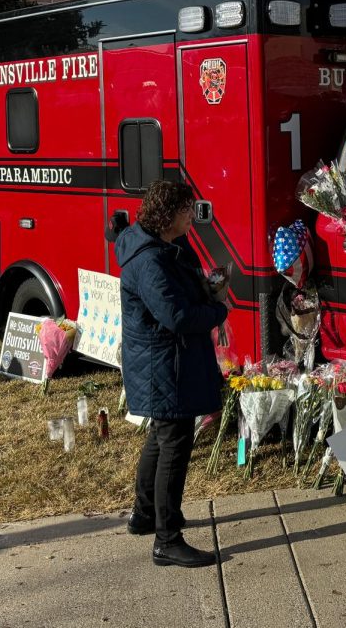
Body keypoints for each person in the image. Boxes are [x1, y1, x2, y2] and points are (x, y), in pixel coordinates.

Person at [116, 180, 228, 567]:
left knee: (161, 435)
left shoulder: (159, 244)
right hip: (163, 363)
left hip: (161, 361)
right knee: (174, 442)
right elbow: (176, 316)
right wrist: (217, 311)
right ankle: (167, 539)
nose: (191, 217)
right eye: (187, 210)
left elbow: (178, 297)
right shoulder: (149, 260)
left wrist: (205, 288)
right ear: (169, 215)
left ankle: (145, 514)